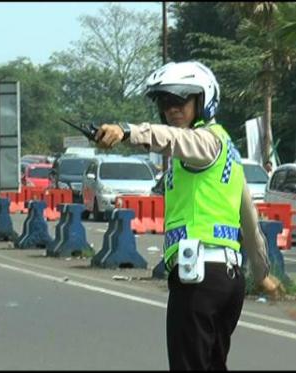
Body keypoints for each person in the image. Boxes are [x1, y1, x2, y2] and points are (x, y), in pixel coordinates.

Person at [91, 61, 285, 370]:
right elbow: (248, 217)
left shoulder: (206, 142)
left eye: (181, 100)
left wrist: (127, 131)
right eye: (165, 102)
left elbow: (175, 139)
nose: (172, 109)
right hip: (226, 281)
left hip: (199, 279)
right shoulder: (229, 155)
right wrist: (263, 274)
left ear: (203, 100)